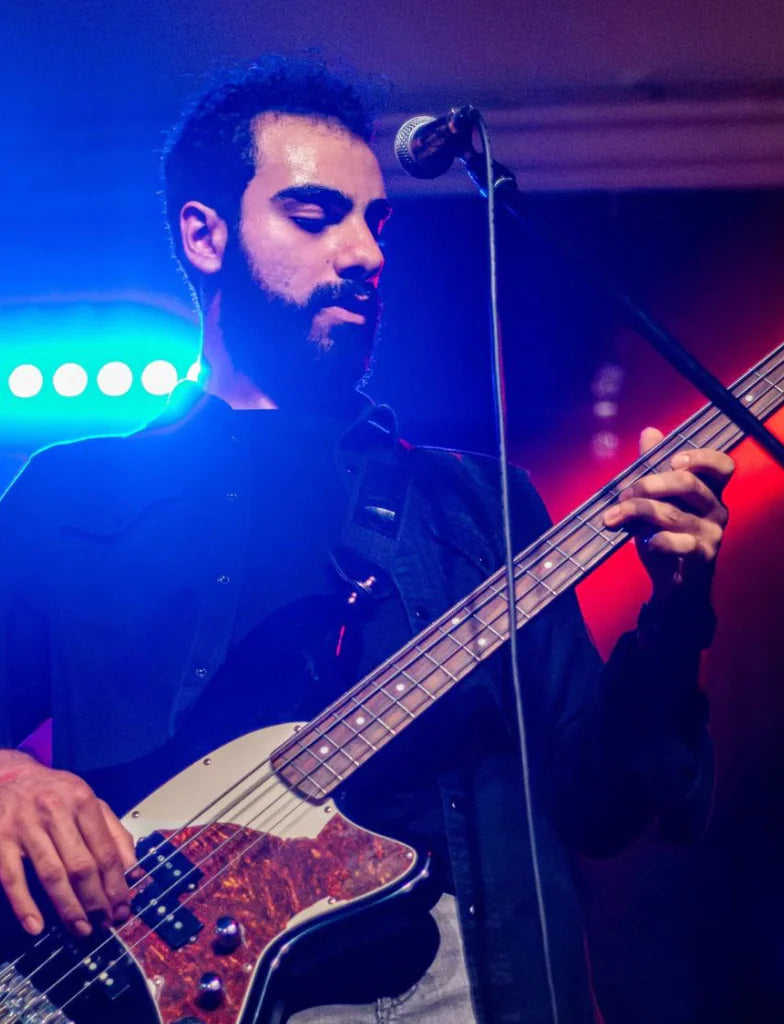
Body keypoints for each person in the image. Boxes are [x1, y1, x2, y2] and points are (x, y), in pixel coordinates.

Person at [0, 57, 734, 1023]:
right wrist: (8, 778)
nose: (367, 253)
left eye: (375, 221)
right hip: (161, 989)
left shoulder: (479, 504)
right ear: (205, 234)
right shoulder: (70, 491)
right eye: (316, 216)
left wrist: (677, 612)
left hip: (462, 983)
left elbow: (601, 805)